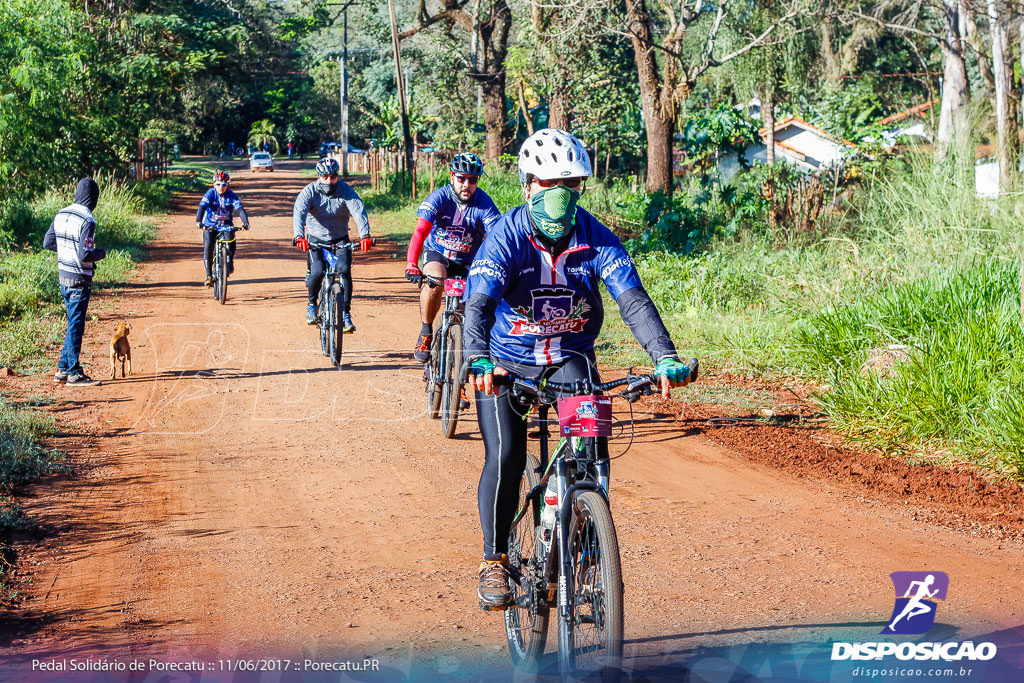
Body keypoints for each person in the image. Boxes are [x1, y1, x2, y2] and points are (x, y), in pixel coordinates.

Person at [462, 129, 695, 609]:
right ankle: (495, 559)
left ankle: (589, 540)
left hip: (572, 359)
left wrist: (664, 356)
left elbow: (632, 300)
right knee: (505, 456)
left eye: (571, 184)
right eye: (549, 183)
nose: (560, 195)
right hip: (507, 364)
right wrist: (475, 357)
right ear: (528, 185)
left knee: (591, 455)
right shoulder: (504, 238)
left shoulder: (598, 239)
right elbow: (479, 304)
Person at [405, 152, 501, 362]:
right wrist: (412, 264)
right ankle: (426, 332)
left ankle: (459, 381)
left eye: (472, 180)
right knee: (434, 282)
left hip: (469, 260)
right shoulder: (439, 198)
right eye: (461, 178)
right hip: (439, 254)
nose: (466, 184)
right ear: (451, 177)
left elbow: (497, 238)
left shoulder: (484, 203)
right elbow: (420, 231)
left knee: (472, 312)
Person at [292, 157, 372, 331]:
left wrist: (365, 235)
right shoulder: (310, 191)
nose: (329, 180)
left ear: (337, 176)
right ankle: (312, 305)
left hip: (340, 240)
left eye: (333, 177)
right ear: (319, 176)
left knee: (344, 271)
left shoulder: (345, 191)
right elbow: (299, 212)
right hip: (316, 241)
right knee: (318, 271)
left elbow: (358, 210)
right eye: (325, 177)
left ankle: (346, 314)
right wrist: (299, 236)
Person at [43, 177, 107, 386]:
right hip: (79, 279)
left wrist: (67, 251)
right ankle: (74, 373)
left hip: (63, 276)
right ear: (93, 198)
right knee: (76, 325)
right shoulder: (87, 219)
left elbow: (48, 242)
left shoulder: (61, 213)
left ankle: (62, 368)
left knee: (72, 323)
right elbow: (85, 255)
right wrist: (100, 254)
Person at [195, 171, 250, 286]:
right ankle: (209, 275)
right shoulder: (210, 193)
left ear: (228, 185)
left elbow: (239, 209)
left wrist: (245, 222)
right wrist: (198, 221)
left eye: (224, 185)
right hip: (210, 225)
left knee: (231, 240)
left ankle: (229, 261)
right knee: (209, 245)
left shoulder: (231, 195)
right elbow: (202, 207)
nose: (221, 187)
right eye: (218, 184)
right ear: (214, 184)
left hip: (226, 225)